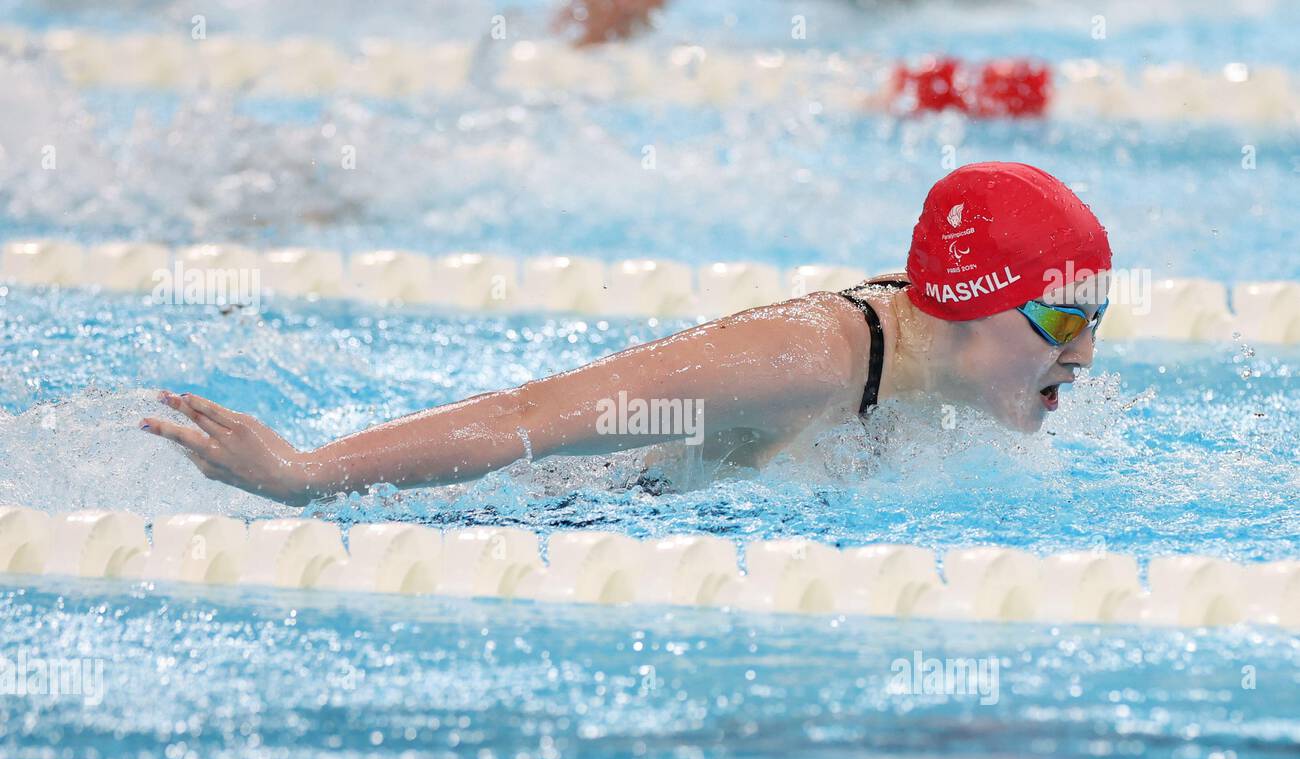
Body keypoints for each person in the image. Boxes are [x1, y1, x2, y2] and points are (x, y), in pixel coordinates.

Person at [142, 162, 1112, 505]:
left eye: (1098, 316)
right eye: (1064, 317)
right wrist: (306, 475)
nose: (1086, 353)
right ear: (964, 302)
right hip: (555, 519)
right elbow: (537, 416)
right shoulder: (803, 360)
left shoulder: (944, 362)